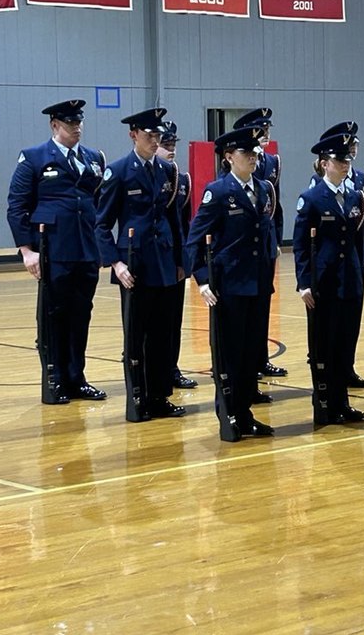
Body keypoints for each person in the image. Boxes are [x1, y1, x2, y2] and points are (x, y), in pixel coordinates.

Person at [6, 98, 107, 404]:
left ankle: (77, 377)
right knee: (54, 316)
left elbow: (98, 203)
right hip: (54, 250)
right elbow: (16, 206)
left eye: (79, 123)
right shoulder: (34, 158)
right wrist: (27, 250)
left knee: (81, 315)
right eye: (70, 124)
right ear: (55, 126)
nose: (77, 128)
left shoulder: (93, 158)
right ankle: (55, 379)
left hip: (86, 250)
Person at [95, 108, 187, 421]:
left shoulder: (166, 170)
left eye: (158, 136)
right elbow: (101, 224)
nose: (155, 140)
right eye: (149, 135)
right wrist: (115, 263)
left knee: (163, 335)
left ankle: (160, 396)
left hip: (164, 263)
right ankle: (137, 400)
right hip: (134, 266)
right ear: (134, 135)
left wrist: (180, 261)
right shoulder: (119, 171)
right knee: (136, 337)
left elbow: (174, 220)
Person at [186, 126, 277, 439]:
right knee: (230, 355)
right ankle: (229, 417)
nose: (253, 158)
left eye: (255, 153)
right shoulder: (219, 191)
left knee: (251, 353)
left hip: (258, 284)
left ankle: (246, 413)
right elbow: (195, 239)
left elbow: (264, 233)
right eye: (245, 153)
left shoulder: (264, 188)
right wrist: (201, 280)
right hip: (230, 285)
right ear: (228, 157)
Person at [293, 132, 364, 425]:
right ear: (325, 163)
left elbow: (358, 239)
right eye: (339, 160)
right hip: (323, 282)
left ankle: (342, 403)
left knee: (344, 345)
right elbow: (301, 244)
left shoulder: (354, 196)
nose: (346, 164)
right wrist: (304, 282)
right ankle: (324, 403)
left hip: (349, 280)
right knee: (323, 346)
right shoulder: (311, 198)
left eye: (347, 159)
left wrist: (360, 268)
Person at [312, 121, 364, 389]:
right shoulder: (319, 185)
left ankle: (348, 367)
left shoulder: (361, 179)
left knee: (352, 319)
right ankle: (327, 372)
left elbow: (362, 225)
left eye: (353, 145)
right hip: (329, 264)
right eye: (346, 146)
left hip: (353, 259)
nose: (352, 151)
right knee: (330, 324)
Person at [231, 107, 287, 383]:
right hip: (244, 243)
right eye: (260, 131)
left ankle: (261, 357)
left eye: (267, 130)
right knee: (247, 304)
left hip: (266, 241)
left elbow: (276, 206)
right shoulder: (238, 159)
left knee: (264, 300)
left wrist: (276, 237)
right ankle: (247, 361)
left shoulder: (273, 162)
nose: (266, 135)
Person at [156, 121, 198, 391]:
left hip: (175, 258)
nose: (171, 150)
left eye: (173, 145)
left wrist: (184, 261)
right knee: (154, 321)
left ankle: (172, 367)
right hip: (152, 258)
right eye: (165, 145)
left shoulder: (181, 180)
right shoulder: (148, 176)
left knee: (174, 320)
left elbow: (184, 224)